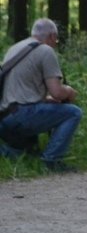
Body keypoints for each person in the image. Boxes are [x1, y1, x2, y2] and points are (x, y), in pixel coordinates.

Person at [0, 18, 82, 172]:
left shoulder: (15, 49)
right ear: (51, 36)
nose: (55, 43)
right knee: (73, 113)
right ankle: (52, 160)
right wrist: (69, 91)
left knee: (27, 155)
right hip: (23, 116)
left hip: (5, 119)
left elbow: (21, 90)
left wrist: (45, 100)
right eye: (56, 40)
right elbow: (57, 92)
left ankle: (9, 152)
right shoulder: (45, 50)